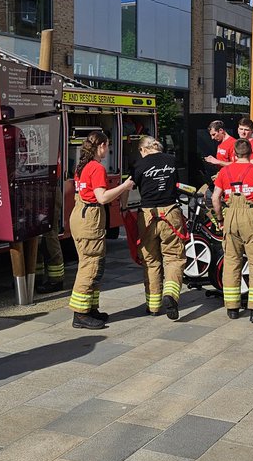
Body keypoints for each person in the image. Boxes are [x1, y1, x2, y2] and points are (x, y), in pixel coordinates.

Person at [68, 131, 133, 330]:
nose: (108, 149)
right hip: (90, 220)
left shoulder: (83, 166)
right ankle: (80, 314)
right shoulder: (96, 168)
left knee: (93, 265)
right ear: (101, 146)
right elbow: (102, 197)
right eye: (107, 145)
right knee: (90, 267)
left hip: (81, 216)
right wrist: (124, 186)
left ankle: (90, 309)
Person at [212, 139, 253, 322]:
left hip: (230, 215)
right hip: (251, 215)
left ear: (234, 154)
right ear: (250, 154)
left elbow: (216, 198)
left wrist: (220, 220)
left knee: (232, 261)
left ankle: (232, 308)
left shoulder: (224, 171)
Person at [131, 136, 185, 320]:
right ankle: (171, 295)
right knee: (173, 258)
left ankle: (153, 306)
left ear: (143, 149)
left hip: (147, 215)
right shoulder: (171, 160)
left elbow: (131, 187)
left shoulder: (139, 165)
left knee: (150, 260)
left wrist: (124, 209)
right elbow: (177, 184)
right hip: (170, 212)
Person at [36, 181, 68, 294]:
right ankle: (36, 277)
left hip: (47, 191)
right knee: (35, 237)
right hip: (37, 189)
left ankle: (56, 280)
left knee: (49, 236)